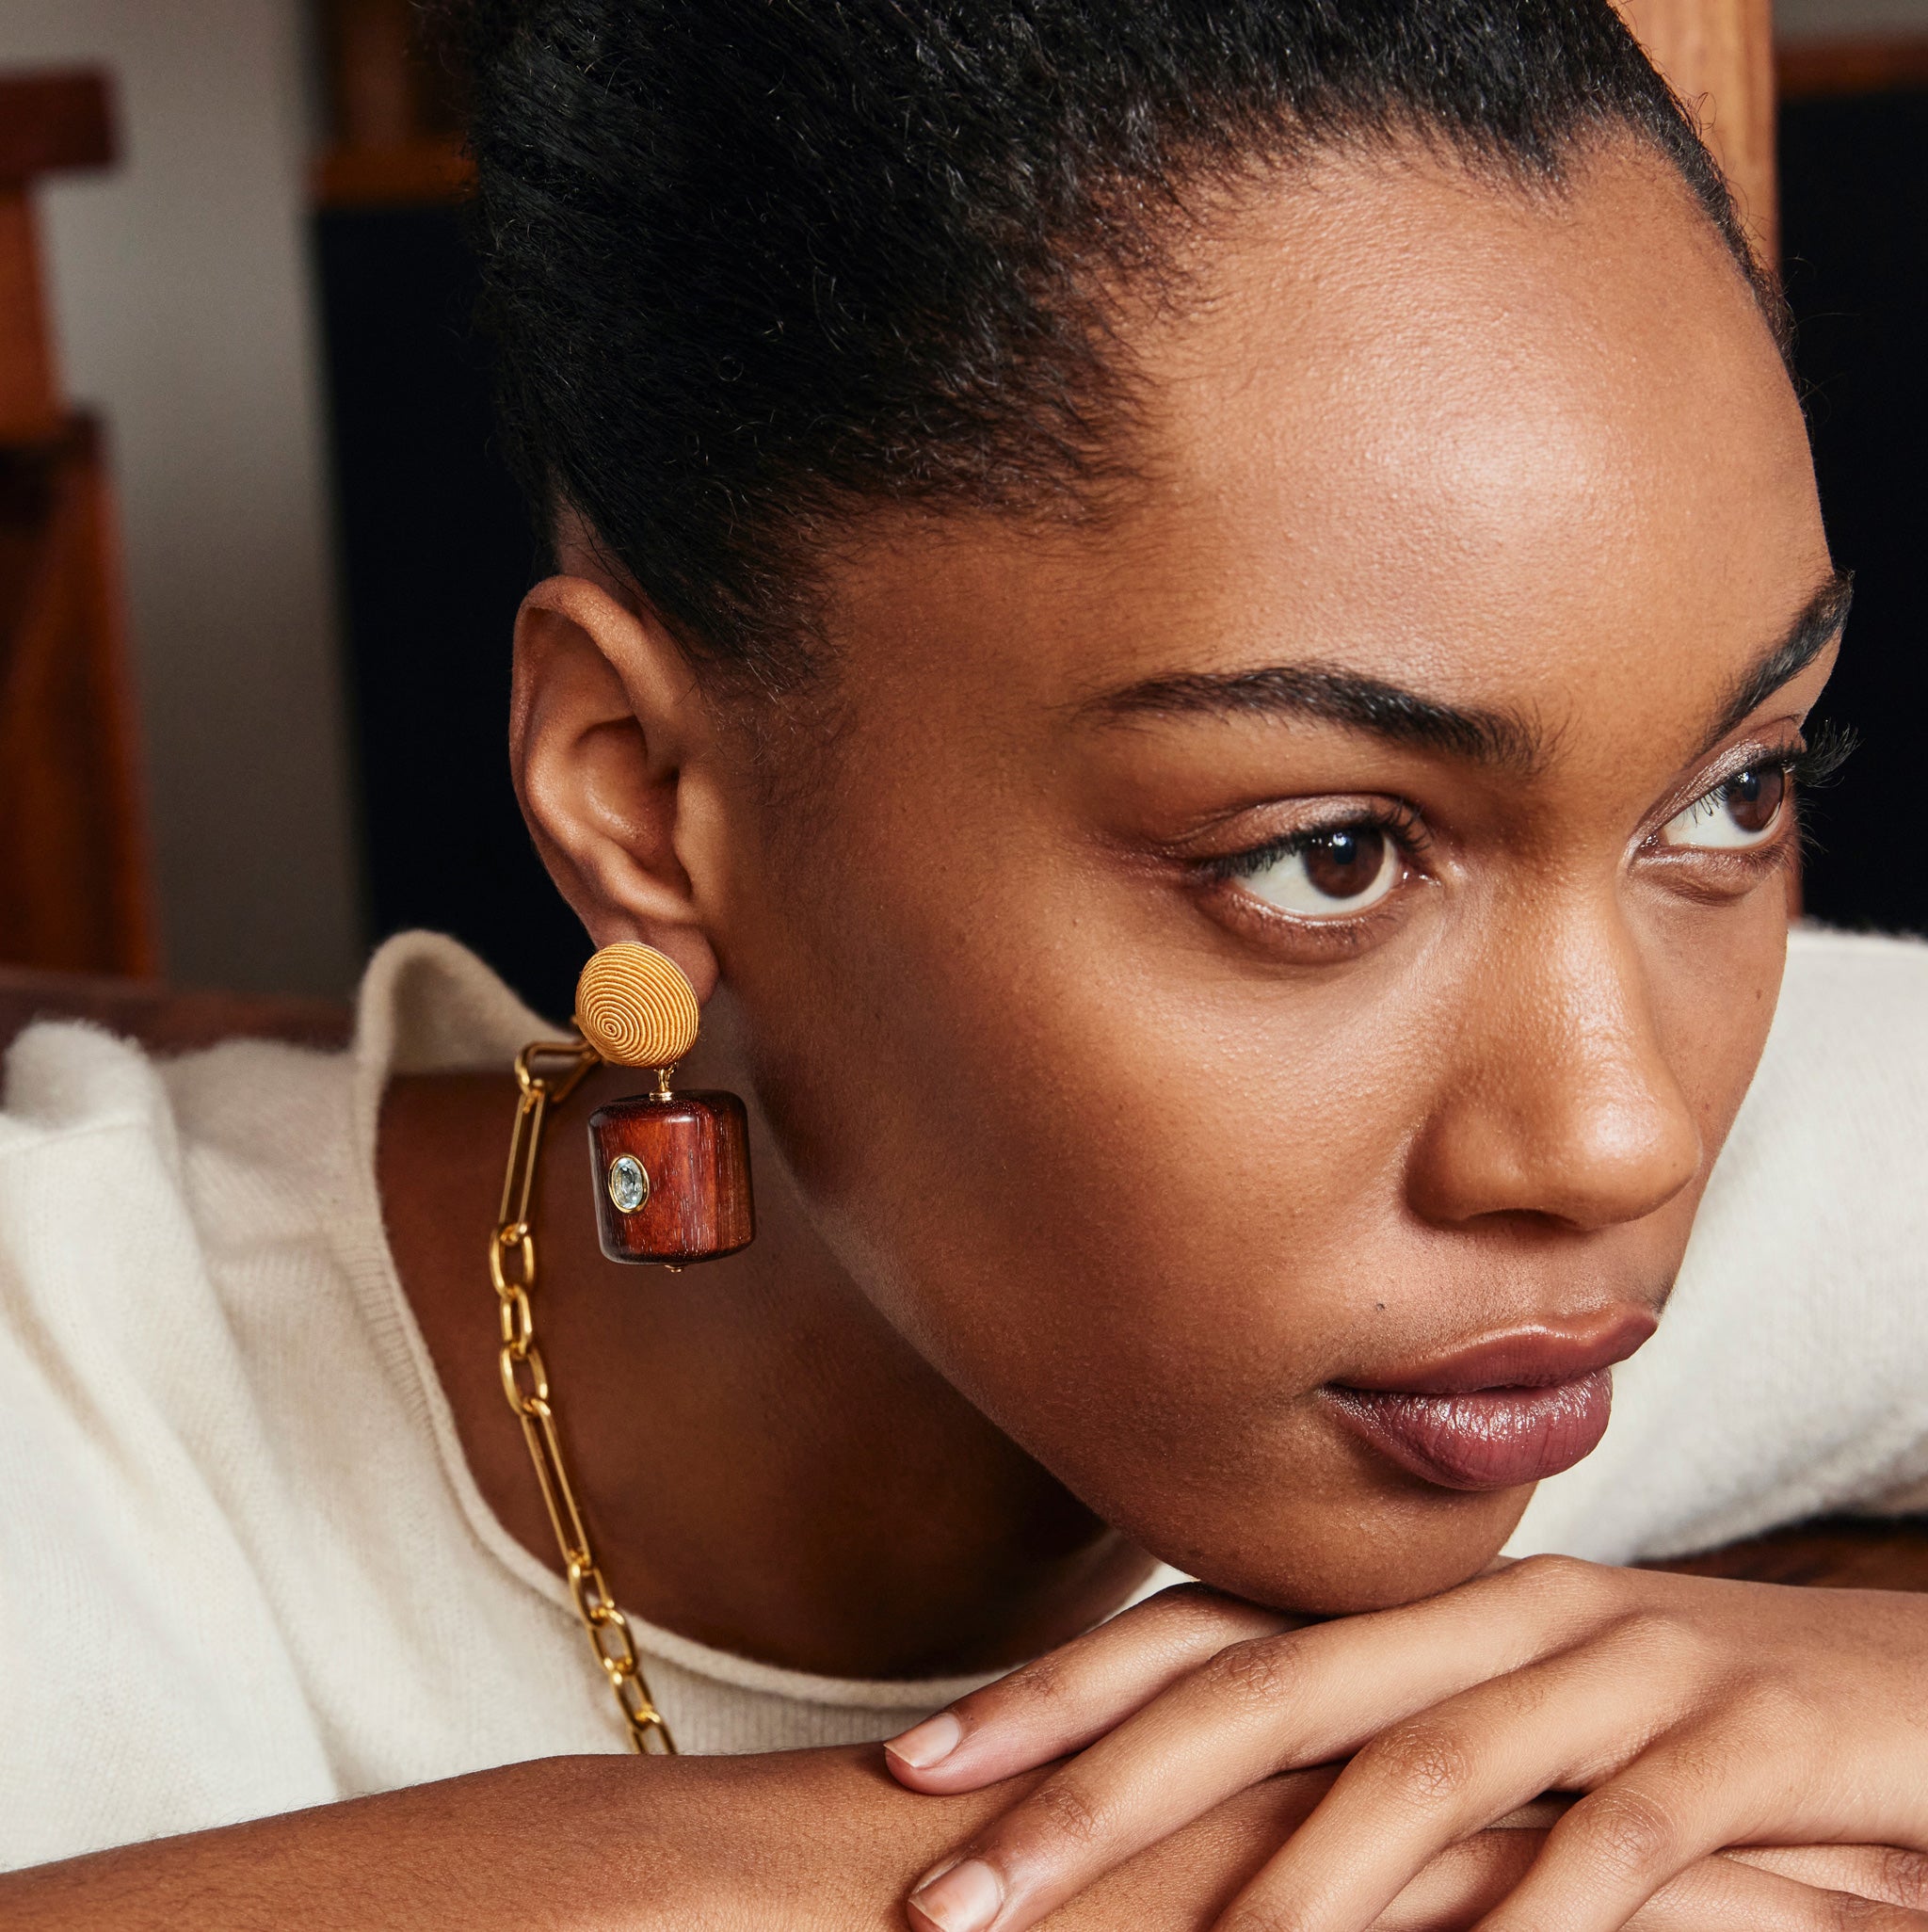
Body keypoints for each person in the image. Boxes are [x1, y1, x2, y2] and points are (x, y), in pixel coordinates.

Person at [3, 1, 1927, 1925]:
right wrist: (857, 1874)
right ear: (646, 798)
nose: (1618, 1141)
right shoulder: (85, 1415)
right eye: (1326, 858)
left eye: (1732, 795)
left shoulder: (1604, 1259)